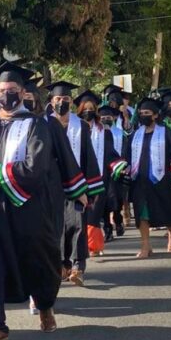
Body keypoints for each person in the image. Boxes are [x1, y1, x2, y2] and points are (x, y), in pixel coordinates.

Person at [0, 64, 83, 340]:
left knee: (38, 259)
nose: (7, 95)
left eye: (13, 91)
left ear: (22, 92)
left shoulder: (36, 125)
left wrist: (0, 176)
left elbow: (37, 165)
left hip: (27, 204)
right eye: (2, 91)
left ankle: (44, 306)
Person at [49, 82, 104, 286]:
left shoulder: (80, 126)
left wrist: (89, 188)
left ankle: (78, 266)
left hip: (77, 184)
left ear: (71, 102)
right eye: (57, 99)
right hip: (52, 186)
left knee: (78, 223)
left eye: (65, 99)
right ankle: (62, 265)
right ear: (51, 101)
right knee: (57, 226)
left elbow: (89, 156)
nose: (61, 102)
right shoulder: (45, 124)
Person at [125, 98, 171, 258]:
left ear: (155, 115)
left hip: (163, 180)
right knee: (142, 213)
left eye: (146, 113)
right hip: (140, 181)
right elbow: (126, 155)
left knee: (167, 210)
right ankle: (145, 246)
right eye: (140, 113)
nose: (143, 116)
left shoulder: (165, 132)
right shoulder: (135, 135)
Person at [73, 90, 127, 261]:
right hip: (75, 179)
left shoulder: (104, 131)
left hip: (98, 179)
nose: (88, 111)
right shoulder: (72, 128)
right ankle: (75, 248)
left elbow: (110, 154)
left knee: (94, 215)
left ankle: (93, 246)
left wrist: (119, 166)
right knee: (76, 216)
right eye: (85, 108)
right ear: (80, 109)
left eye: (91, 108)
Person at [99, 105, 127, 241]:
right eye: (102, 118)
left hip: (118, 171)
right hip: (102, 171)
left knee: (117, 200)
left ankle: (118, 219)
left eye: (108, 118)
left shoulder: (120, 133)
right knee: (104, 201)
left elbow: (125, 150)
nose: (105, 120)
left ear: (114, 118)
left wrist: (123, 165)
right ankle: (107, 229)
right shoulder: (96, 133)